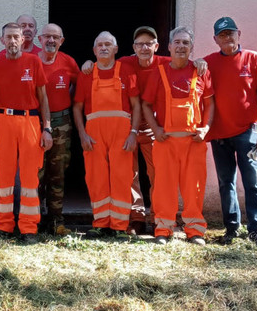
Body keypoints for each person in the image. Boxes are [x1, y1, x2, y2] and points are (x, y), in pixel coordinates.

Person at [81, 27, 207, 234]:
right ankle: (136, 218)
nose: (145, 48)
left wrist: (200, 61)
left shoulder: (165, 63)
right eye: (140, 44)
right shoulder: (125, 63)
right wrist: (87, 63)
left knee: (157, 174)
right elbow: (104, 60)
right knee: (129, 175)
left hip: (154, 128)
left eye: (149, 43)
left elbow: (185, 63)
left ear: (157, 46)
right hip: (127, 127)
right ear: (133, 48)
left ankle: (159, 218)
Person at [204, 17, 257, 249]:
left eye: (231, 33)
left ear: (239, 34)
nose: (227, 38)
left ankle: (256, 230)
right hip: (219, 135)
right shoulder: (208, 63)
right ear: (215, 39)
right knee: (226, 183)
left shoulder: (254, 59)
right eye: (222, 34)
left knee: (253, 181)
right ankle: (231, 229)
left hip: (249, 134)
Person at [141, 26, 215, 245]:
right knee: (164, 186)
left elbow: (210, 103)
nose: (181, 46)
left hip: (194, 141)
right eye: (178, 42)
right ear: (169, 47)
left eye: (186, 43)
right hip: (166, 142)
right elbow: (145, 104)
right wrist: (156, 129)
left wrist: (206, 128)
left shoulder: (201, 71)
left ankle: (195, 230)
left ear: (191, 47)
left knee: (194, 187)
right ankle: (163, 229)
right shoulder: (160, 72)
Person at [0, 22, 53, 244]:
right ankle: (4, 226)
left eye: (17, 37)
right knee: (4, 178)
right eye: (9, 37)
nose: (13, 41)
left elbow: (43, 97)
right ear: (2, 40)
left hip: (30, 121)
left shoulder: (33, 61)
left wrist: (47, 128)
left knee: (29, 178)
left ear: (23, 40)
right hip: (2, 122)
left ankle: (28, 227)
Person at [73, 31, 140, 240]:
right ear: (94, 50)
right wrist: (82, 134)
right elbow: (77, 107)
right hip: (93, 131)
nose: (104, 48)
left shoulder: (127, 70)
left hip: (122, 130)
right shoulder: (86, 73)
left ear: (116, 49)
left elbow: (137, 105)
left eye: (108, 44)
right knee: (96, 176)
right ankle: (100, 223)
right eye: (100, 45)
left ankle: (120, 225)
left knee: (121, 176)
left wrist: (133, 133)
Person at [36, 23, 80, 235]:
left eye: (56, 37)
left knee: (57, 174)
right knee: (35, 175)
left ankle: (56, 221)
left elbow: (79, 86)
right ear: (39, 40)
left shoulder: (68, 62)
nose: (51, 41)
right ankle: (33, 221)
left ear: (61, 41)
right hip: (35, 124)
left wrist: (66, 103)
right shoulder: (32, 62)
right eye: (47, 37)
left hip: (61, 123)